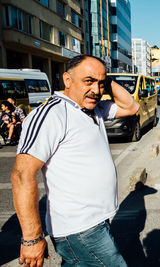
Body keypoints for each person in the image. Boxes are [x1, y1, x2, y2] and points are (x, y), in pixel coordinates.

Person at [11, 55, 140, 267]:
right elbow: (21, 176)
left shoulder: (95, 109)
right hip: (79, 228)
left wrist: (104, 79)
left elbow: (131, 106)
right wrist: (32, 238)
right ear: (67, 80)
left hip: (97, 221)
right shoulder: (52, 114)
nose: (96, 90)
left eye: (101, 84)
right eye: (88, 81)